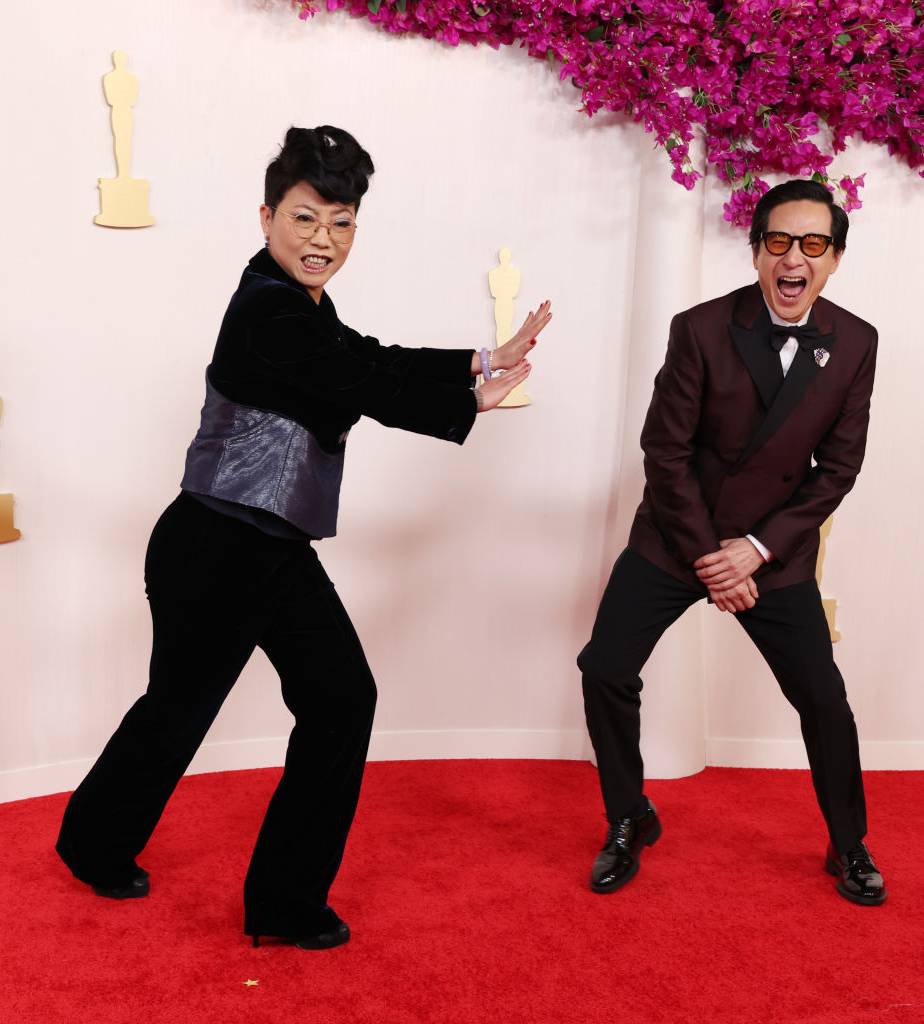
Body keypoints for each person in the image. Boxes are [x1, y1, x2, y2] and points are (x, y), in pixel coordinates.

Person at [56, 125, 552, 949]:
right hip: (213, 544)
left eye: (342, 222)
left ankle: (282, 904)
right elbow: (359, 382)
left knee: (339, 699)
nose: (324, 239)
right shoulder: (266, 310)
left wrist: (477, 359)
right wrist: (469, 404)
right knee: (179, 711)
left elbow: (365, 352)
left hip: (270, 547)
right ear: (266, 216)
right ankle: (94, 841)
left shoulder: (304, 304)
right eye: (305, 218)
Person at [578, 179, 885, 906]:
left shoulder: (855, 343)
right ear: (754, 251)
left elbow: (836, 469)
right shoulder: (700, 328)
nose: (793, 258)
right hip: (678, 534)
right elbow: (665, 453)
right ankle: (629, 817)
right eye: (778, 242)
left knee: (823, 699)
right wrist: (712, 559)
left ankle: (849, 845)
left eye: (813, 245)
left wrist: (756, 549)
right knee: (605, 668)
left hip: (768, 553)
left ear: (834, 258)